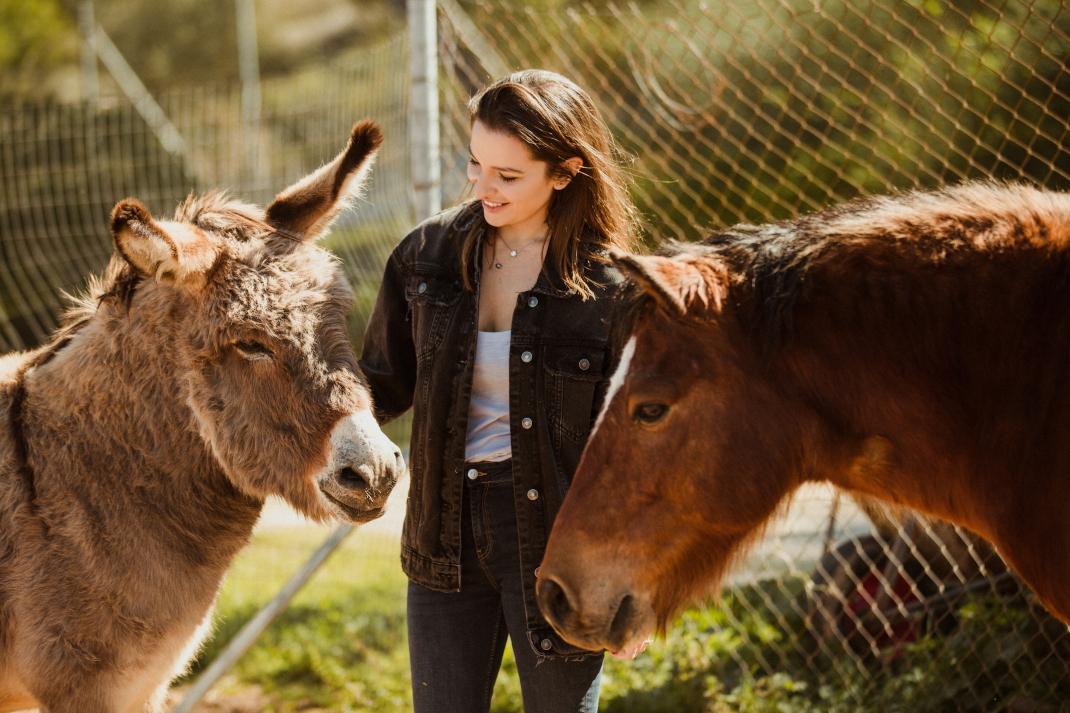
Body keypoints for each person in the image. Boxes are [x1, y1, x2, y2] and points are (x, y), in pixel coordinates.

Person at [359, 69, 640, 713]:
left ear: (567, 172)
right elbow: (376, 387)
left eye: (508, 176)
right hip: (442, 535)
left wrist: (636, 582)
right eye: (476, 164)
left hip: (559, 544)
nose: (483, 187)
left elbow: (634, 453)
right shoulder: (424, 257)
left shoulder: (611, 290)